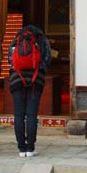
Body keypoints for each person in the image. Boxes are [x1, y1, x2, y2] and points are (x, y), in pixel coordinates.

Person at [8, 23, 51, 158]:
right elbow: (48, 58)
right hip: (35, 79)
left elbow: (10, 59)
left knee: (19, 114)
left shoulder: (16, 39)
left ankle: (21, 149)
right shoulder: (42, 39)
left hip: (17, 79)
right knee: (31, 115)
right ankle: (30, 148)